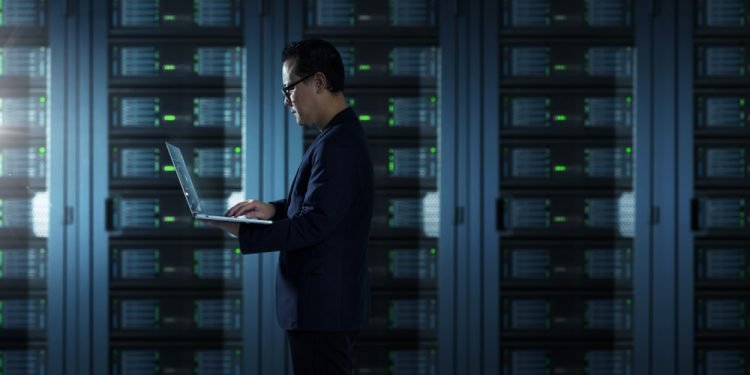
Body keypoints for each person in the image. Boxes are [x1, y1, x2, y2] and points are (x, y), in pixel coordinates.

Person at [205, 39, 374, 375]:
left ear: (319, 82)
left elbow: (314, 224)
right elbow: (322, 207)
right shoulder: (337, 137)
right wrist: (272, 210)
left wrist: (242, 232)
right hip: (325, 308)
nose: (286, 101)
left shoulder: (337, 145)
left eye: (289, 89)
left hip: (323, 311)